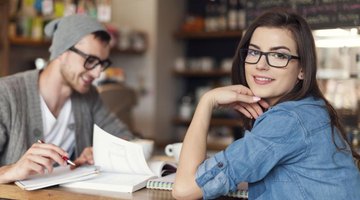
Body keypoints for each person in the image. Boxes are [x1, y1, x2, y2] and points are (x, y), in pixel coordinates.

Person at [172, 9, 360, 200]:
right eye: (254, 52)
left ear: (302, 69)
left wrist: (206, 102)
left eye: (279, 56)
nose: (261, 64)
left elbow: (184, 189)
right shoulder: (309, 108)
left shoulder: (288, 120)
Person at [0, 14, 134, 183]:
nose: (97, 72)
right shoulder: (6, 94)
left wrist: (102, 151)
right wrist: (12, 170)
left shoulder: (89, 96)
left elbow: (124, 137)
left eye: (102, 63)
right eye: (90, 60)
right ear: (62, 51)